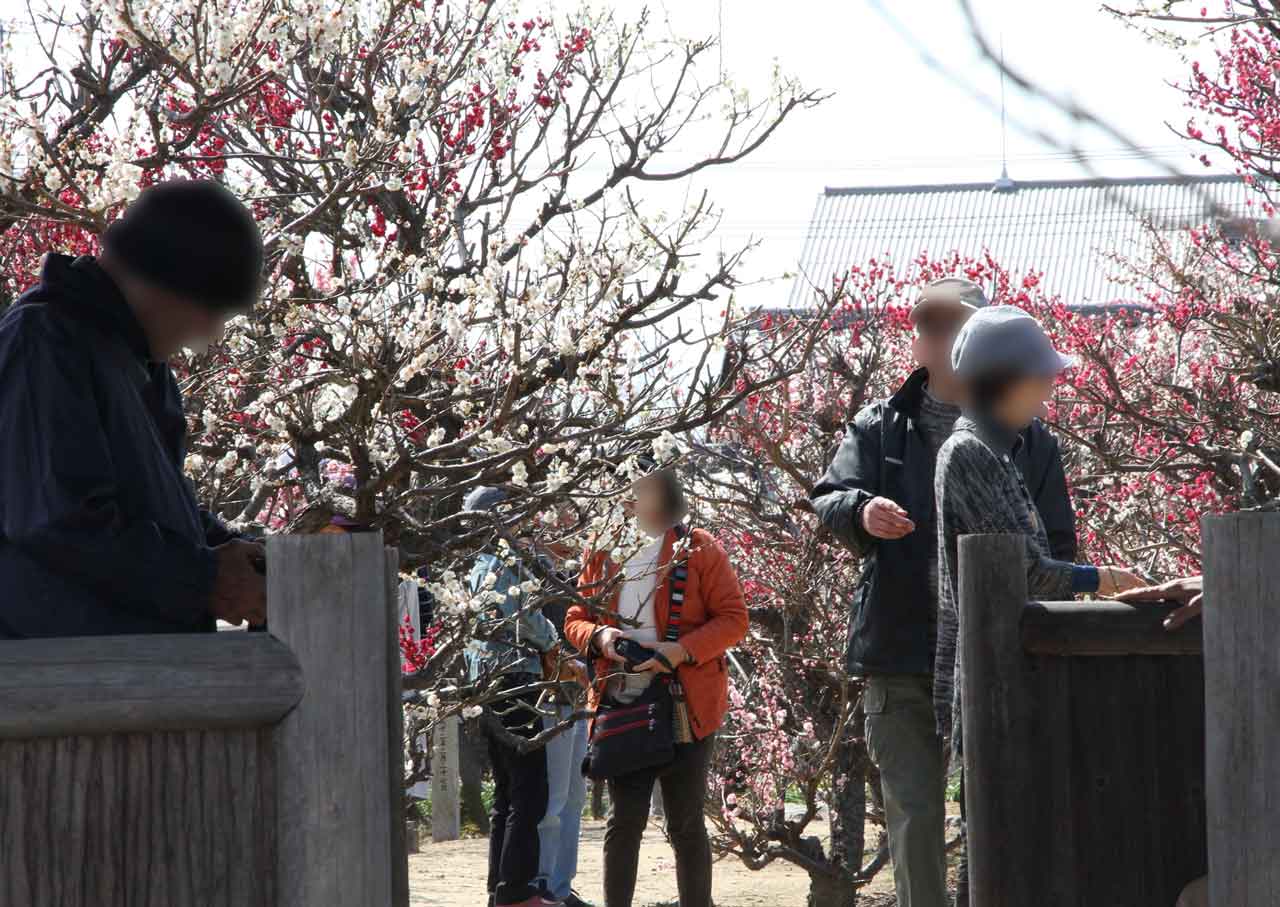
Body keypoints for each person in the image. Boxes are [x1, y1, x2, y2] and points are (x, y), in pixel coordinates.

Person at [810, 278, 1079, 907]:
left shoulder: (1033, 440)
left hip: (990, 654)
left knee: (991, 817)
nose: (935, 332)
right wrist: (861, 510)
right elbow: (828, 497)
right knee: (916, 816)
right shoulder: (880, 423)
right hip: (900, 652)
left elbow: (1056, 547)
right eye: (925, 321)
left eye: (951, 322)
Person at [0, 179, 267, 638]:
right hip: (60, 682)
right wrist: (207, 577)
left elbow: (151, 517)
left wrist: (232, 553)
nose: (211, 331)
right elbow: (60, 521)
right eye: (211, 309)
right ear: (163, 278)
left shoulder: (140, 363)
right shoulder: (45, 341)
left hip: (127, 674)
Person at [933, 306, 1148, 754]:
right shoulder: (970, 453)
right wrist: (1099, 579)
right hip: (995, 684)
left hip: (1012, 675)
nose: (1049, 389)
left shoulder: (997, 450)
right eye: (1040, 376)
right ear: (1005, 379)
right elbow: (1018, 574)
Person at [564, 461, 747, 907]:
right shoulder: (602, 548)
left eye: (639, 487)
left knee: (685, 822)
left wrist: (679, 651)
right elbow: (575, 619)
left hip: (687, 701)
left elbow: (734, 619)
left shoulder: (698, 548)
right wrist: (602, 638)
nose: (629, 496)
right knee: (623, 821)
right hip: (622, 695)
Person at [465, 485, 585, 907]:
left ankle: (500, 888)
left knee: (505, 794)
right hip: (516, 681)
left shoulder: (475, 566)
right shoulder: (504, 563)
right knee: (529, 790)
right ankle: (518, 892)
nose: (522, 524)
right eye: (513, 516)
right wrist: (555, 645)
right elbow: (530, 622)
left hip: (485, 685)